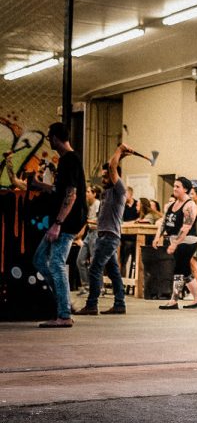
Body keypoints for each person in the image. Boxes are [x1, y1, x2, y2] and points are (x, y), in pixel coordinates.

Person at [33, 122, 87, 328]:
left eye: (49, 138)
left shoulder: (70, 160)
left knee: (56, 263)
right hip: (63, 220)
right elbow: (60, 189)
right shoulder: (67, 161)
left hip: (66, 221)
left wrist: (57, 224)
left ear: (55, 138)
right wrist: (39, 185)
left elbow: (71, 195)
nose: (49, 141)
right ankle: (63, 301)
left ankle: (63, 314)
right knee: (39, 259)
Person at [76, 144, 134, 316]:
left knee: (94, 269)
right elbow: (111, 166)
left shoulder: (120, 190)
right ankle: (120, 304)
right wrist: (121, 155)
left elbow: (112, 167)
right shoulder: (108, 191)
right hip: (105, 236)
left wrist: (120, 149)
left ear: (114, 176)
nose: (102, 179)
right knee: (114, 272)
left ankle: (92, 304)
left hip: (109, 237)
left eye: (105, 176)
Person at [152, 177, 197, 309]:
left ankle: (173, 300)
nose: (175, 189)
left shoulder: (189, 205)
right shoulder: (170, 205)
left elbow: (186, 227)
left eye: (178, 187)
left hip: (187, 241)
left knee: (179, 269)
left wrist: (175, 244)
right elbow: (164, 222)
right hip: (174, 240)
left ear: (185, 189)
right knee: (185, 271)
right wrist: (157, 237)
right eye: (174, 186)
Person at [75, 184, 102, 296]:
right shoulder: (88, 205)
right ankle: (86, 286)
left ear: (94, 194)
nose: (86, 194)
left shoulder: (97, 204)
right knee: (80, 260)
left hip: (95, 234)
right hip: (89, 234)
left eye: (88, 192)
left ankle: (100, 288)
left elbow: (99, 221)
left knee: (94, 261)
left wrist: (90, 222)